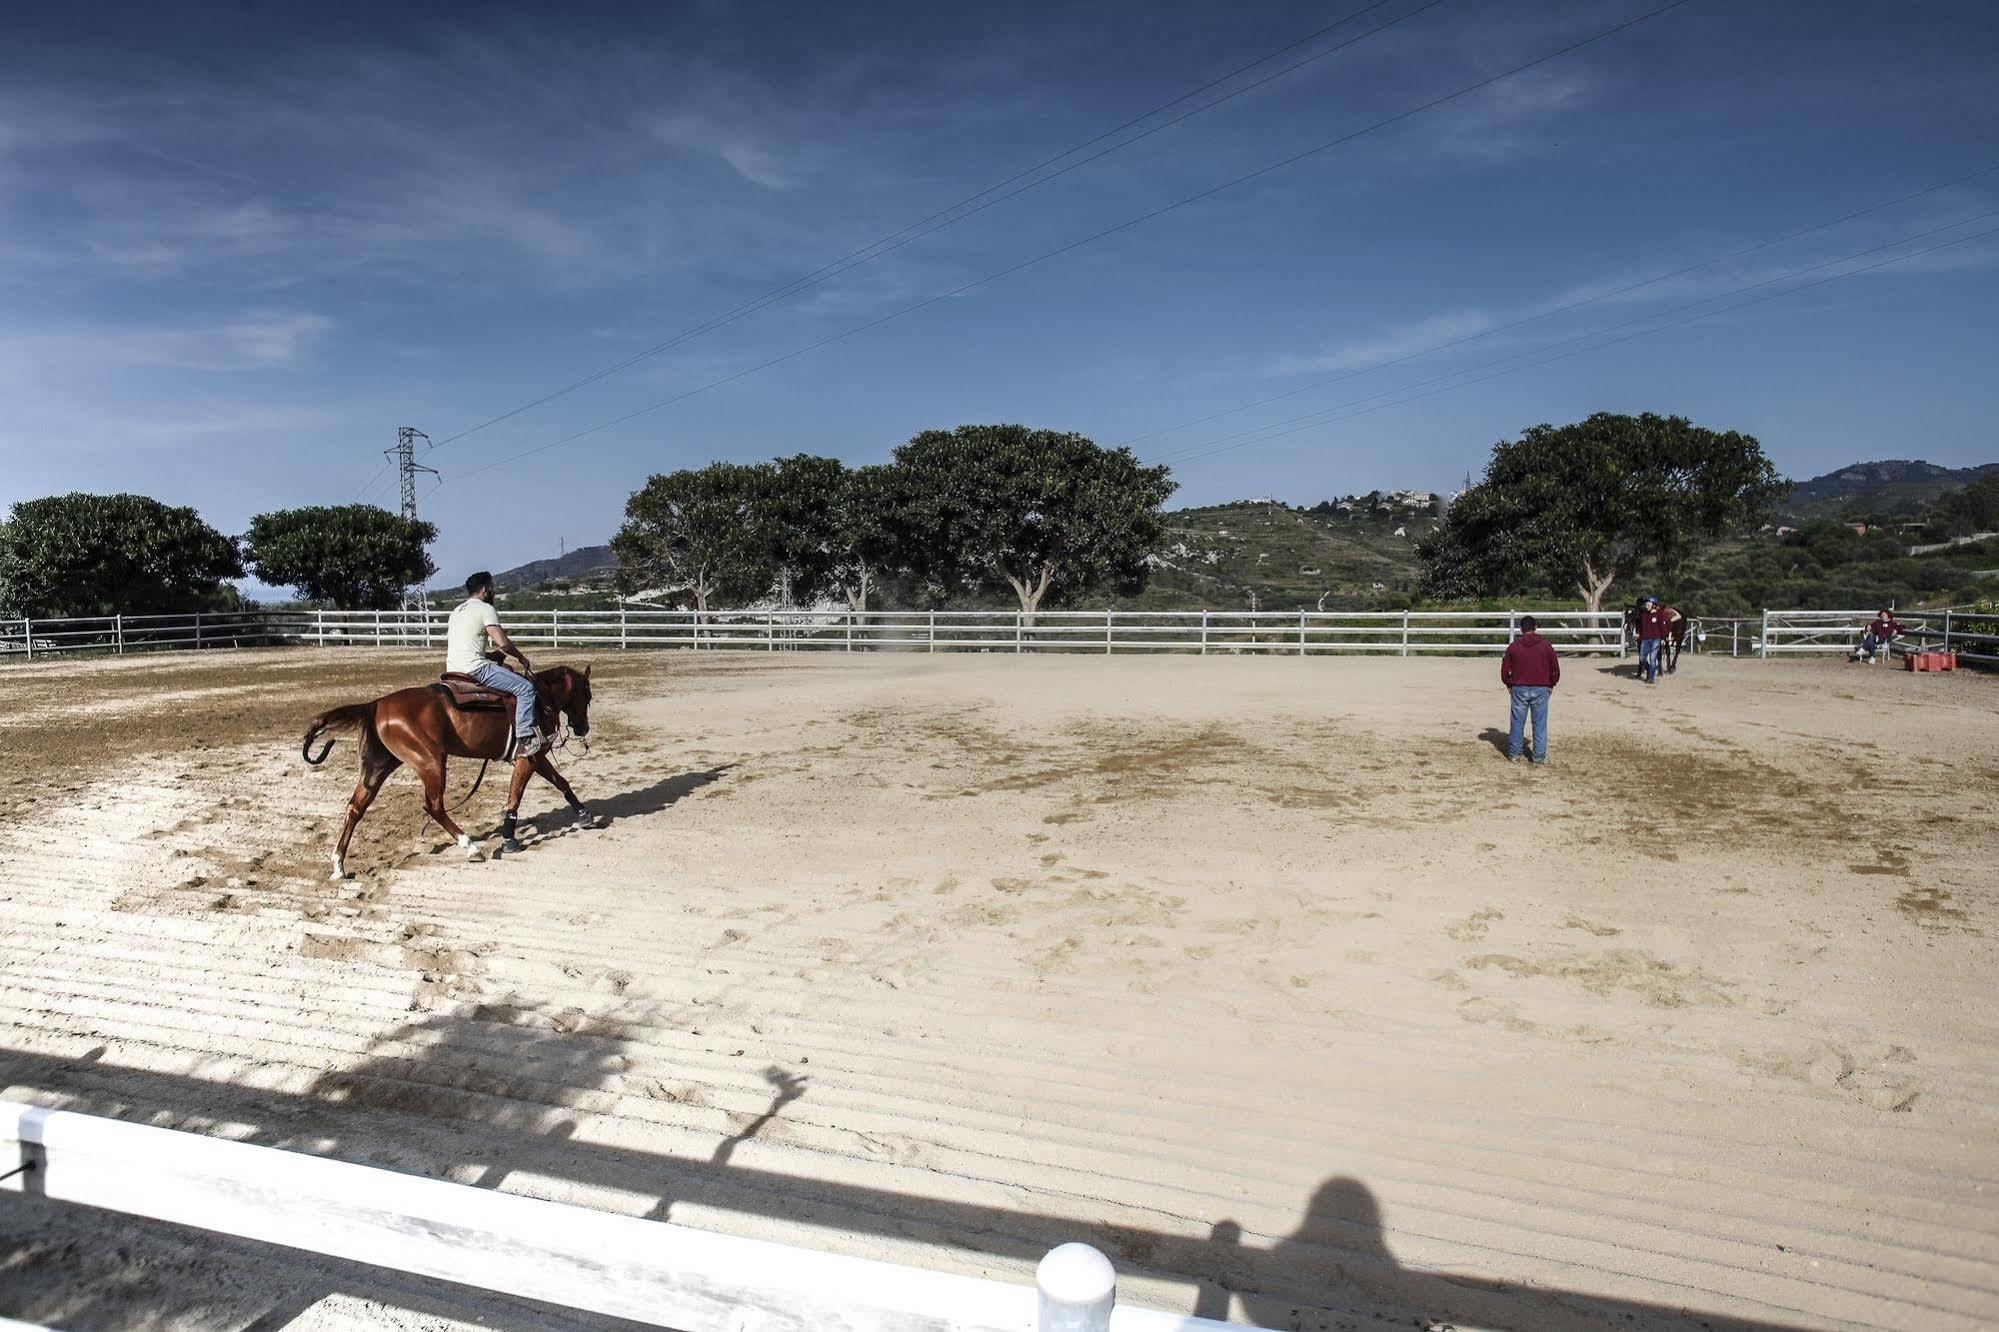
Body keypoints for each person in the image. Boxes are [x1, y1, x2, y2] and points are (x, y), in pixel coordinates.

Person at [447, 571, 547, 757]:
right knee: (525, 688)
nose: (493, 591)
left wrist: (491, 656)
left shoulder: (456, 612)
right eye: (492, 588)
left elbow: (466, 645)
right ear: (485, 590)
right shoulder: (486, 609)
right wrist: (520, 657)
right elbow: (504, 643)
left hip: (453, 669)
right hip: (476, 668)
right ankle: (525, 739)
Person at [1499, 614, 1559, 764]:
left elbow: (1504, 670)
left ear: (1521, 629)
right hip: (1540, 688)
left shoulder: (1513, 647)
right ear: (1535, 628)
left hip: (1519, 688)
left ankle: (1514, 754)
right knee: (1539, 723)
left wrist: (1509, 684)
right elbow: (1555, 669)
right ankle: (1538, 757)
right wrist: (1551, 684)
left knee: (1517, 722)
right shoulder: (1546, 646)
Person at [1635, 595, 1670, 684]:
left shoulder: (1659, 614)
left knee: (1652, 658)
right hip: (1645, 639)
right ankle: (1650, 669)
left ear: (1654, 605)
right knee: (1642, 658)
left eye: (1649, 604)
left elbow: (1663, 627)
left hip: (1656, 639)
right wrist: (1638, 633)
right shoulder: (1643, 614)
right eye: (1646, 604)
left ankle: (1651, 678)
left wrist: (1663, 638)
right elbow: (1639, 625)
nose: (1647, 605)